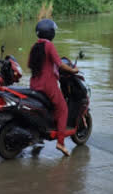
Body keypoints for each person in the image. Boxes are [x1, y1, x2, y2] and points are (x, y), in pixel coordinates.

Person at [27, 19, 79, 156]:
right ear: (50, 32)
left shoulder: (35, 46)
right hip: (48, 85)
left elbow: (30, 64)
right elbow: (60, 64)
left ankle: (40, 134)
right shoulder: (49, 46)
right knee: (63, 109)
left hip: (34, 84)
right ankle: (61, 143)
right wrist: (73, 70)